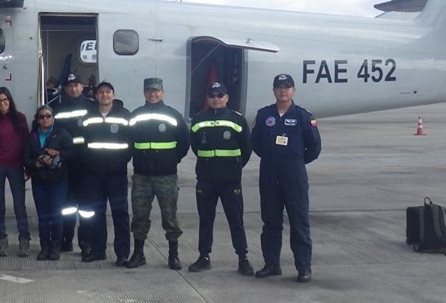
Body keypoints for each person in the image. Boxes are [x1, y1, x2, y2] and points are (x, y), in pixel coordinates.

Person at [251, 74, 321, 283]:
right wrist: (274, 158)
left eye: (287, 87)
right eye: (279, 87)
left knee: (299, 221)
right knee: (270, 221)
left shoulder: (303, 116)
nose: (283, 91)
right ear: (274, 91)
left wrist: (295, 161)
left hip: (294, 174)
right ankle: (272, 264)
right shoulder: (264, 115)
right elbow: (256, 143)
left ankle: (303, 267)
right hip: (270, 173)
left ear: (293, 91)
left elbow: (314, 147)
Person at [187, 82, 253, 276]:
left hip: (230, 180)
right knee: (206, 220)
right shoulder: (199, 120)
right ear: (208, 98)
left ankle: (243, 258)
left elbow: (246, 149)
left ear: (227, 98)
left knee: (236, 220)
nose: (216, 98)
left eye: (219, 95)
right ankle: (204, 257)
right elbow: (196, 147)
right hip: (206, 180)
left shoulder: (237, 120)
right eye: (212, 95)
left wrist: (233, 167)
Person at [126, 77, 191, 269]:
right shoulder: (135, 115)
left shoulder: (173, 115)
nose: (152, 93)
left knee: (170, 217)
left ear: (162, 92)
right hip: (142, 176)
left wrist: (171, 160)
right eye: (148, 90)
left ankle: (173, 255)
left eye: (156, 90)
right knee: (139, 217)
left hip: (166, 176)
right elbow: (129, 142)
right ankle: (138, 254)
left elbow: (184, 143)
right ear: (144, 93)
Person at [77, 81, 133, 265]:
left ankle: (122, 254)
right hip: (93, 174)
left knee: (120, 214)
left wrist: (120, 161)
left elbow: (131, 143)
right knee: (97, 213)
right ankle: (99, 250)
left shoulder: (125, 116)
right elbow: (82, 143)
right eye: (101, 92)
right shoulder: (88, 117)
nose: (104, 95)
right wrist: (89, 163)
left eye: (108, 92)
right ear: (96, 96)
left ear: (113, 95)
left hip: (116, 174)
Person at [0, 86, 31, 257]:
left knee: (20, 206)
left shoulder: (20, 118)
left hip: (16, 166)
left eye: (5, 100)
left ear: (10, 101)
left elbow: (26, 143)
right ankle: (2, 241)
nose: (2, 103)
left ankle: (24, 241)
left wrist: (27, 168)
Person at [24, 105, 71, 261]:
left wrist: (59, 153)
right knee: (43, 216)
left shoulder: (61, 134)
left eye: (48, 116)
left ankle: (55, 247)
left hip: (58, 181)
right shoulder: (31, 136)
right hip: (39, 182)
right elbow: (25, 158)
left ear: (53, 118)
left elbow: (74, 153)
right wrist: (35, 164)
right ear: (37, 120)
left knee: (56, 215)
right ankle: (44, 247)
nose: (45, 119)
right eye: (42, 116)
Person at [52, 72, 93, 254]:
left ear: (82, 86)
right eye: (70, 86)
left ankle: (85, 242)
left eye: (77, 85)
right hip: (67, 164)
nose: (73, 88)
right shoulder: (57, 109)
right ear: (65, 88)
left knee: (85, 207)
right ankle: (66, 240)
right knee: (67, 207)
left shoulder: (92, 107)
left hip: (86, 163)